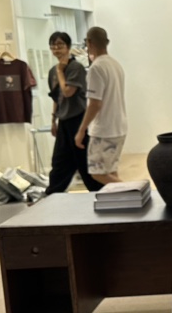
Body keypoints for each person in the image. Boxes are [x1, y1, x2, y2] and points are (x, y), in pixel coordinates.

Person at [45, 31, 102, 194]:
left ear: (68, 47)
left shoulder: (75, 67)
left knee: (84, 162)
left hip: (78, 120)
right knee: (60, 161)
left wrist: (61, 72)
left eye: (60, 44)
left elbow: (68, 92)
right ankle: (52, 194)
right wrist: (53, 120)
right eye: (53, 45)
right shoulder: (53, 71)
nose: (56, 48)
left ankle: (100, 193)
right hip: (63, 121)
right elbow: (56, 98)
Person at [75, 26, 127, 184]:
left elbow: (95, 104)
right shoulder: (115, 65)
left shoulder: (96, 68)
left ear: (89, 43)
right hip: (119, 126)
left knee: (98, 174)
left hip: (104, 130)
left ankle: (135, 192)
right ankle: (124, 198)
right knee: (110, 171)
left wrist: (81, 130)